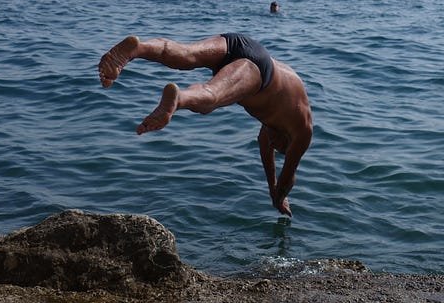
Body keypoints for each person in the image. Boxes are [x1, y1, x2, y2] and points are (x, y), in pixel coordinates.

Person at [98, 32, 312, 217]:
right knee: (211, 97)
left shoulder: (276, 126)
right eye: (279, 146)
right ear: (289, 142)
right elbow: (288, 177)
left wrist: (271, 188)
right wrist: (279, 196)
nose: (271, 142)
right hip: (259, 69)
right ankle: (178, 99)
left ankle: (138, 48)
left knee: (185, 55)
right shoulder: (302, 131)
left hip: (240, 43)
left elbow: (264, 148)